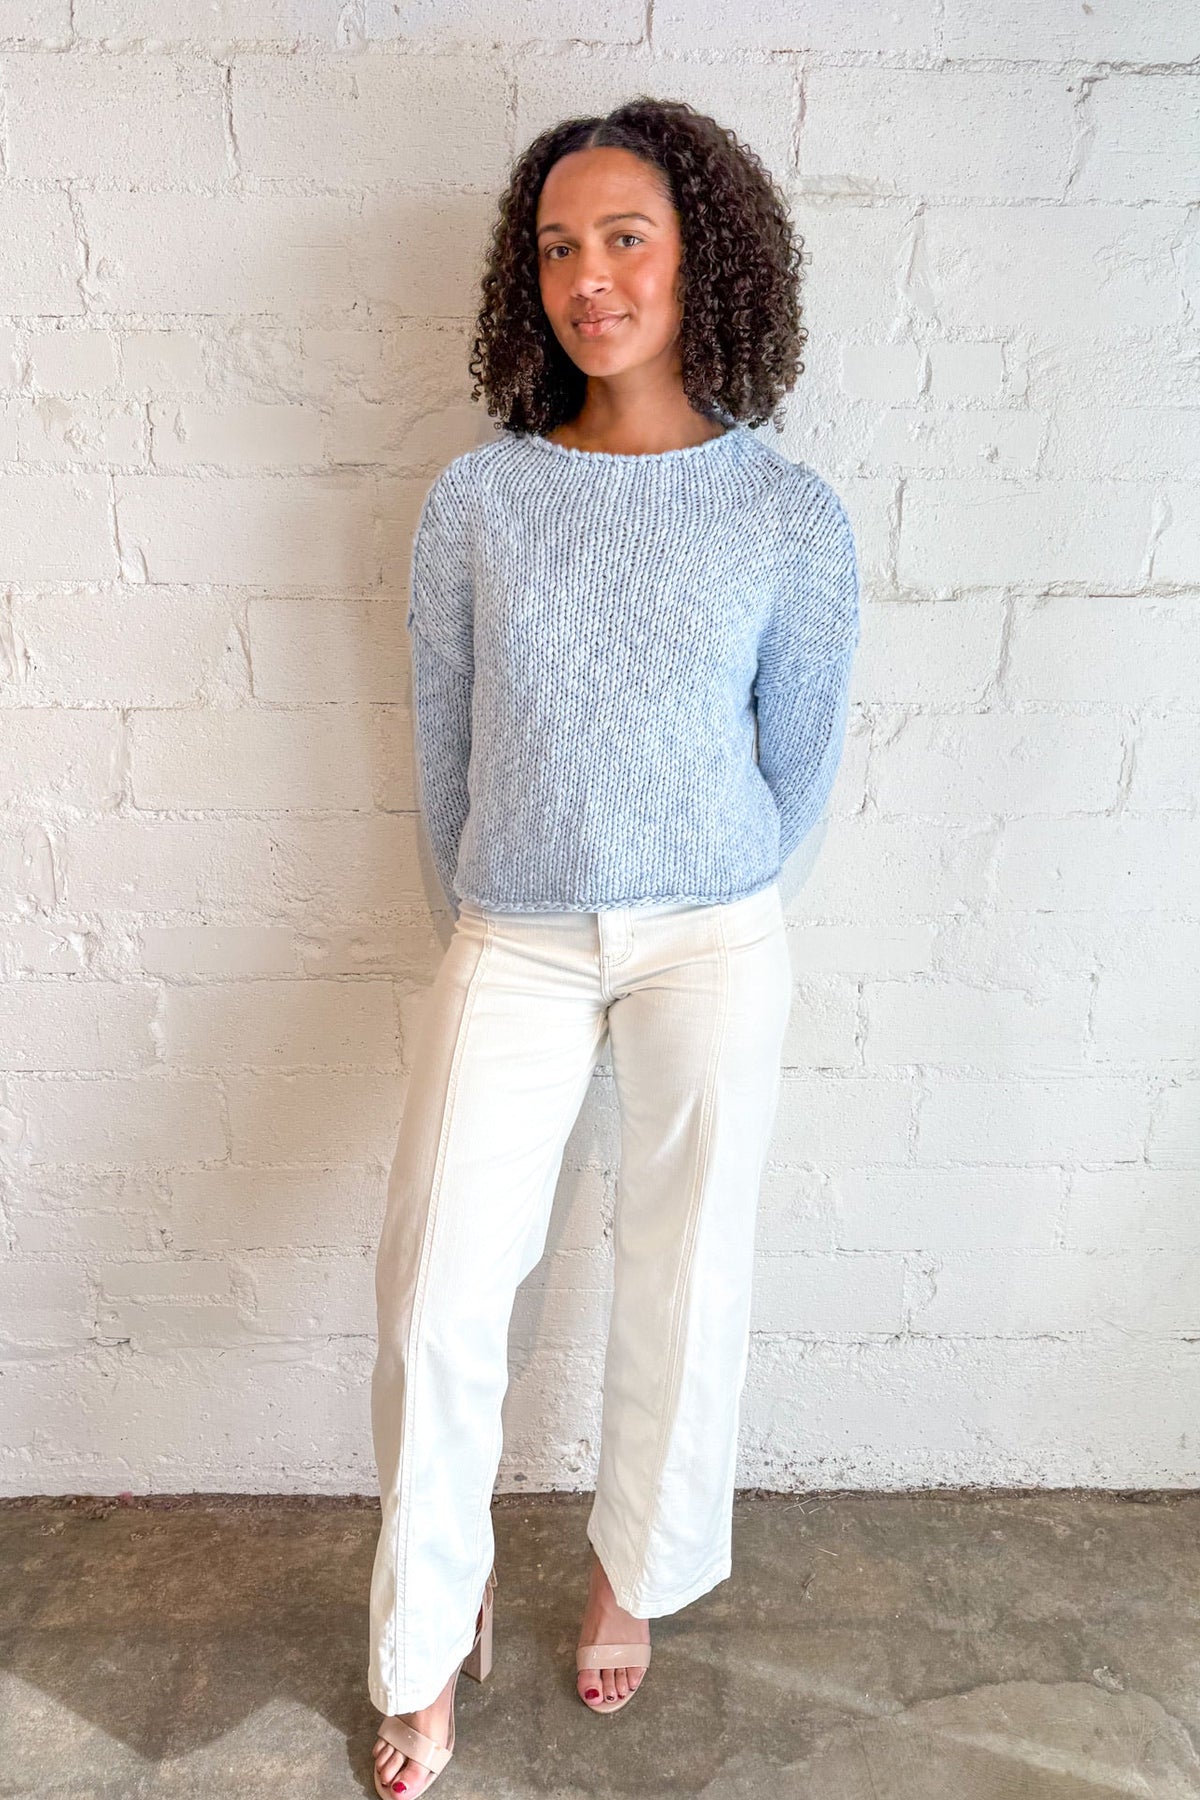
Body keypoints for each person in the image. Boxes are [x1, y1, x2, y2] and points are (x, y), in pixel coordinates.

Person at [368, 96, 861, 1798]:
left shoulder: (788, 515)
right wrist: (504, 893)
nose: (591, 277)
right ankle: (425, 1627)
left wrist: (698, 886)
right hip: (514, 930)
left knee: (685, 1272)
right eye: (559, 247)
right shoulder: (479, 500)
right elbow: (445, 748)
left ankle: (626, 1577)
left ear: (700, 256)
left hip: (712, 937)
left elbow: (797, 767)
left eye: (625, 239)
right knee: (437, 1296)